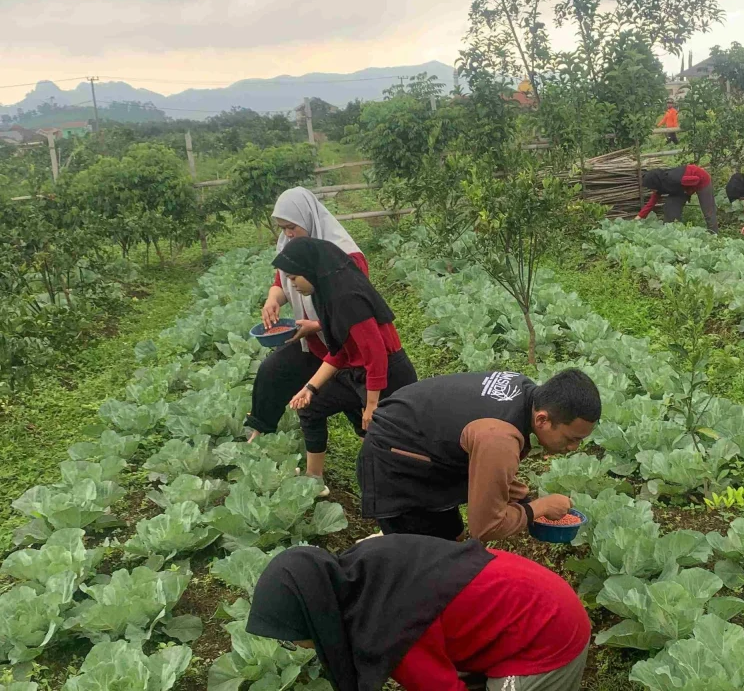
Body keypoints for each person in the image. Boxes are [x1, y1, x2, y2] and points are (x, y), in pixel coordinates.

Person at [246, 536, 591, 691]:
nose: (297, 647)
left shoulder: (390, 632)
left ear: (314, 617)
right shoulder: (362, 569)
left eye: (293, 640)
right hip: (530, 595)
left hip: (549, 636)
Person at [252, 237, 416, 495]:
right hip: (356, 372)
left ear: (310, 270)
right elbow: (340, 352)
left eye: (295, 278)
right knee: (310, 407)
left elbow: (376, 355)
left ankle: (401, 506)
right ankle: (313, 479)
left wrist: (371, 405)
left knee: (388, 446)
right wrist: (310, 388)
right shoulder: (324, 294)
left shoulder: (347, 297)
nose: (292, 285)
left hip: (387, 375)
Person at [357, 369, 601, 541]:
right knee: (428, 564)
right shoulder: (499, 437)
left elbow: (485, 464)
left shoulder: (523, 389)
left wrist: (523, 497)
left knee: (453, 537)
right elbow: (485, 529)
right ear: (542, 419)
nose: (574, 448)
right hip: (396, 465)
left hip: (427, 446)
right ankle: (389, 545)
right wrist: (539, 508)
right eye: (572, 439)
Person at [244, 187, 371, 445]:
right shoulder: (292, 249)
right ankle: (258, 435)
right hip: (314, 345)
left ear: (309, 219)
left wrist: (315, 325)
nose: (288, 234)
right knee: (271, 371)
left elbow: (357, 314)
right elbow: (281, 281)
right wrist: (272, 300)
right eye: (283, 228)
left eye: (293, 227)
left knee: (356, 399)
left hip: (350, 347)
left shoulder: (346, 256)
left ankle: (378, 444)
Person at [635, 165, 718, 233]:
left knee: (708, 212)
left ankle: (714, 235)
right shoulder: (660, 185)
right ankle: (671, 231)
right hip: (681, 188)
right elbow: (650, 204)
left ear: (655, 183)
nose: (651, 190)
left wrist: (688, 192)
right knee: (670, 206)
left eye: (651, 188)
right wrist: (638, 218)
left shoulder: (674, 179)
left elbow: (696, 179)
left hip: (701, 180)